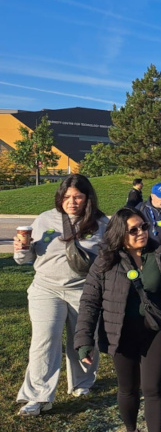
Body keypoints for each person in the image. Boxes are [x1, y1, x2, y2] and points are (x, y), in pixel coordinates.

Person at [75, 208, 161, 432]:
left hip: (156, 329)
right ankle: (132, 429)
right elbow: (89, 301)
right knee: (128, 388)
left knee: (153, 388)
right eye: (133, 230)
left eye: (144, 227)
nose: (141, 232)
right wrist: (84, 341)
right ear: (120, 233)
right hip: (120, 331)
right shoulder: (105, 261)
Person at [13, 174, 108, 416]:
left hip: (85, 290)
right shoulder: (45, 219)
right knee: (44, 340)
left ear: (88, 198)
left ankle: (82, 383)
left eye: (77, 196)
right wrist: (21, 250)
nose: (72, 202)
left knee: (85, 339)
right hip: (47, 289)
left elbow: (111, 257)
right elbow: (25, 258)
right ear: (60, 197)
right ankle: (38, 396)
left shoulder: (101, 223)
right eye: (66, 197)